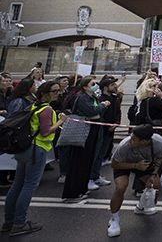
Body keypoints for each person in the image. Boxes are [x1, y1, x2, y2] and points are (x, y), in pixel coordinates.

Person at [2, 81, 66, 236]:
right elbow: (46, 132)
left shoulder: (32, 106)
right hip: (36, 150)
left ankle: (9, 221)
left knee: (17, 184)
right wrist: (60, 121)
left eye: (58, 90)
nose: (58, 93)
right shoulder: (47, 109)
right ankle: (19, 223)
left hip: (25, 149)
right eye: (55, 91)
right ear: (45, 93)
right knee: (29, 186)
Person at [106, 124, 162, 237]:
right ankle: (114, 219)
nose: (131, 140)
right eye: (131, 137)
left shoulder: (160, 143)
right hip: (123, 164)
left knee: (156, 184)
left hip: (143, 164)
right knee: (121, 187)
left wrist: (154, 174)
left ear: (145, 141)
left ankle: (141, 206)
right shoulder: (124, 145)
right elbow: (114, 165)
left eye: (134, 139)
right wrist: (135, 165)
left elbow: (160, 157)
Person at [62, 76, 111, 203]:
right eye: (93, 83)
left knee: (87, 160)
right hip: (84, 131)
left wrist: (100, 107)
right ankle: (73, 192)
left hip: (92, 130)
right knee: (79, 161)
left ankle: (81, 188)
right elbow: (91, 111)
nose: (96, 85)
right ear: (85, 86)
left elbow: (97, 112)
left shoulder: (92, 97)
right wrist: (103, 105)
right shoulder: (82, 97)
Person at [90, 76, 121, 188]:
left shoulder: (115, 98)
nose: (115, 86)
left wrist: (116, 123)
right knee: (96, 154)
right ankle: (91, 177)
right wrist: (107, 125)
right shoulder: (100, 99)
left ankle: (96, 176)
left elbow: (118, 112)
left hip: (110, 130)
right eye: (112, 85)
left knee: (101, 154)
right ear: (105, 87)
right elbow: (99, 114)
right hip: (102, 130)